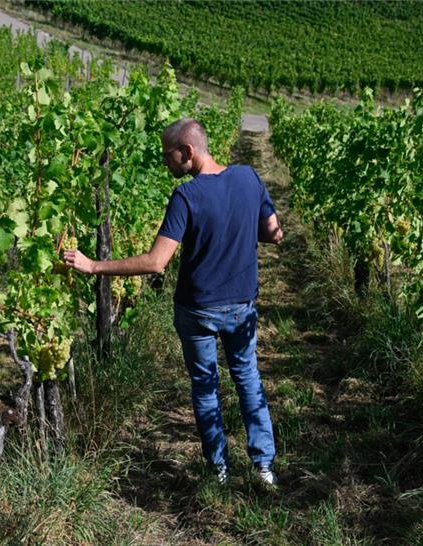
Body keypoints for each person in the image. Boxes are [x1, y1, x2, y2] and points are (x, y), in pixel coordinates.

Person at [63, 118, 284, 486]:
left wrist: (94, 266)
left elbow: (156, 262)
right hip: (241, 306)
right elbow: (274, 234)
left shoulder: (187, 196)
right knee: (248, 379)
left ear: (188, 152)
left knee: (205, 386)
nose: (166, 163)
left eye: (168, 155)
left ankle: (219, 470)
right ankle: (264, 468)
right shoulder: (249, 177)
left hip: (197, 311)